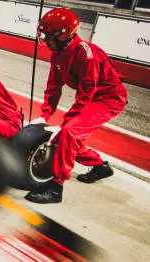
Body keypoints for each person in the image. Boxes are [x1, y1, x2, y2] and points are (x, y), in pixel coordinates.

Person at [25, 8, 128, 204]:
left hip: (109, 99)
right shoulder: (57, 54)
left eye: (48, 36)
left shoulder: (85, 53)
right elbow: (53, 87)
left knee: (69, 133)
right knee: (66, 141)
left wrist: (67, 122)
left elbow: (85, 94)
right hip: (94, 97)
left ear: (64, 35)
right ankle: (100, 166)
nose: (45, 40)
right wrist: (45, 114)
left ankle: (56, 187)